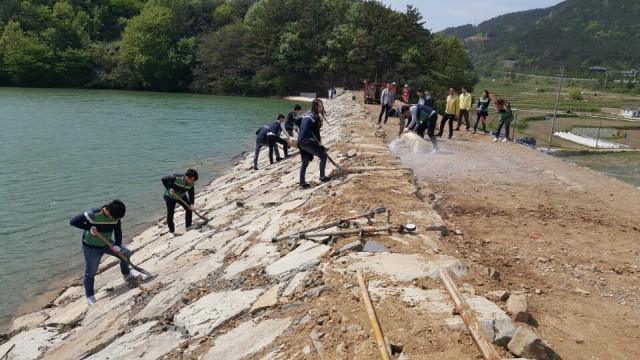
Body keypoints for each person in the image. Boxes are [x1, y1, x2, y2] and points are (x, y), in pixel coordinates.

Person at [70, 199, 139, 306]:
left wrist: (117, 245)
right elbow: (73, 221)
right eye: (114, 217)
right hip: (91, 248)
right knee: (90, 273)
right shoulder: (93, 214)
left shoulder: (116, 216)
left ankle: (126, 274)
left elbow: (118, 231)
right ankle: (90, 296)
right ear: (107, 211)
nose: (115, 219)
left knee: (125, 253)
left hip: (107, 244)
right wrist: (89, 228)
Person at [298, 98, 330, 188]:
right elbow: (316, 132)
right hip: (307, 142)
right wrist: (320, 144)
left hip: (300, 141)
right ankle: (322, 177)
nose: (322, 107)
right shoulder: (316, 117)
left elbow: (298, 122)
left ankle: (302, 182)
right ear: (316, 106)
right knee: (323, 156)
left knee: (305, 162)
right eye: (320, 105)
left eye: (322, 105)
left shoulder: (306, 115)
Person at [162, 169, 198, 237]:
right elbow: (163, 179)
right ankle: (171, 231)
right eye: (192, 180)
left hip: (181, 196)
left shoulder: (191, 184)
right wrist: (169, 188)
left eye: (195, 181)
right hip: (170, 196)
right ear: (187, 177)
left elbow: (191, 194)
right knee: (170, 214)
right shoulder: (176, 177)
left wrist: (192, 204)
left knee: (189, 208)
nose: (193, 182)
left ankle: (188, 225)